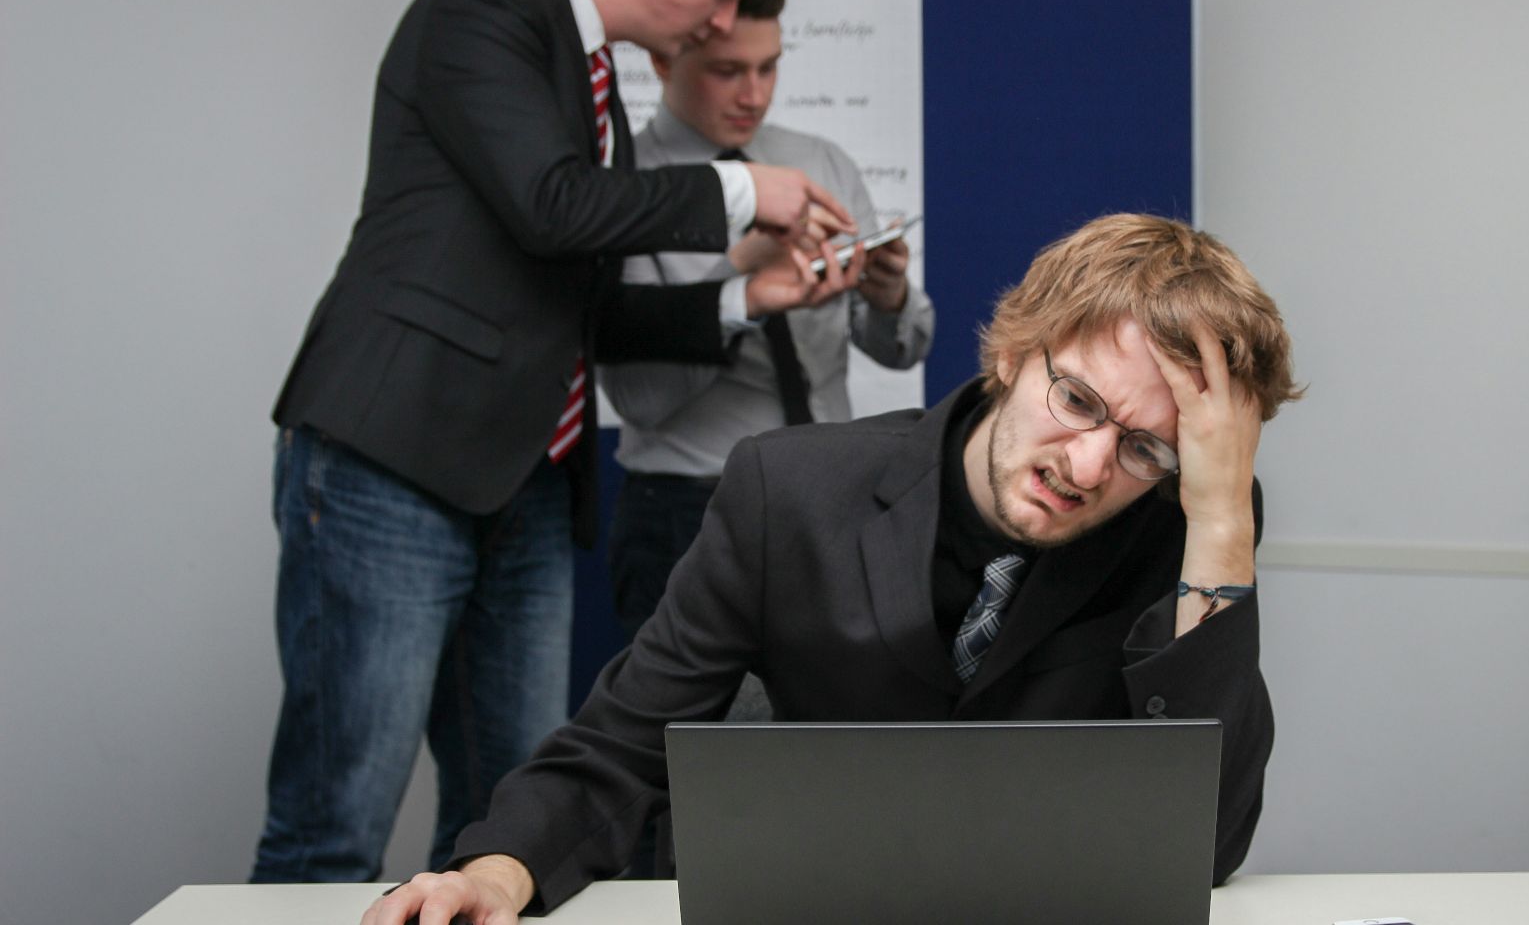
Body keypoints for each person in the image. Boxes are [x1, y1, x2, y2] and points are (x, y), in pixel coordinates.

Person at [365, 213, 1305, 924]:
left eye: (1148, 448)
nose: (1093, 466)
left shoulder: (1183, 528)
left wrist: (1221, 517)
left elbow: (1206, 845)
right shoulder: (791, 491)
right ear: (1017, 353)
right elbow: (625, 739)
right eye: (1077, 401)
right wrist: (495, 870)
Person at [255, 0, 854, 883]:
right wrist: (749, 193)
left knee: (504, 832)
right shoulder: (480, 8)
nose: (722, 22)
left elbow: (585, 306)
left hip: (527, 485)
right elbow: (551, 208)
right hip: (395, 465)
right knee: (335, 824)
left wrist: (745, 297)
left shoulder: (591, 90)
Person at [600, 0, 935, 641]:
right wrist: (740, 283)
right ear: (664, 59)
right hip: (688, 508)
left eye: (769, 67)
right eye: (727, 71)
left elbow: (904, 347)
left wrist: (888, 293)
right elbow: (639, 400)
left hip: (835, 497)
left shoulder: (821, 161)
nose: (754, 93)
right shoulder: (625, 186)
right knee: (687, 741)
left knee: (841, 732)